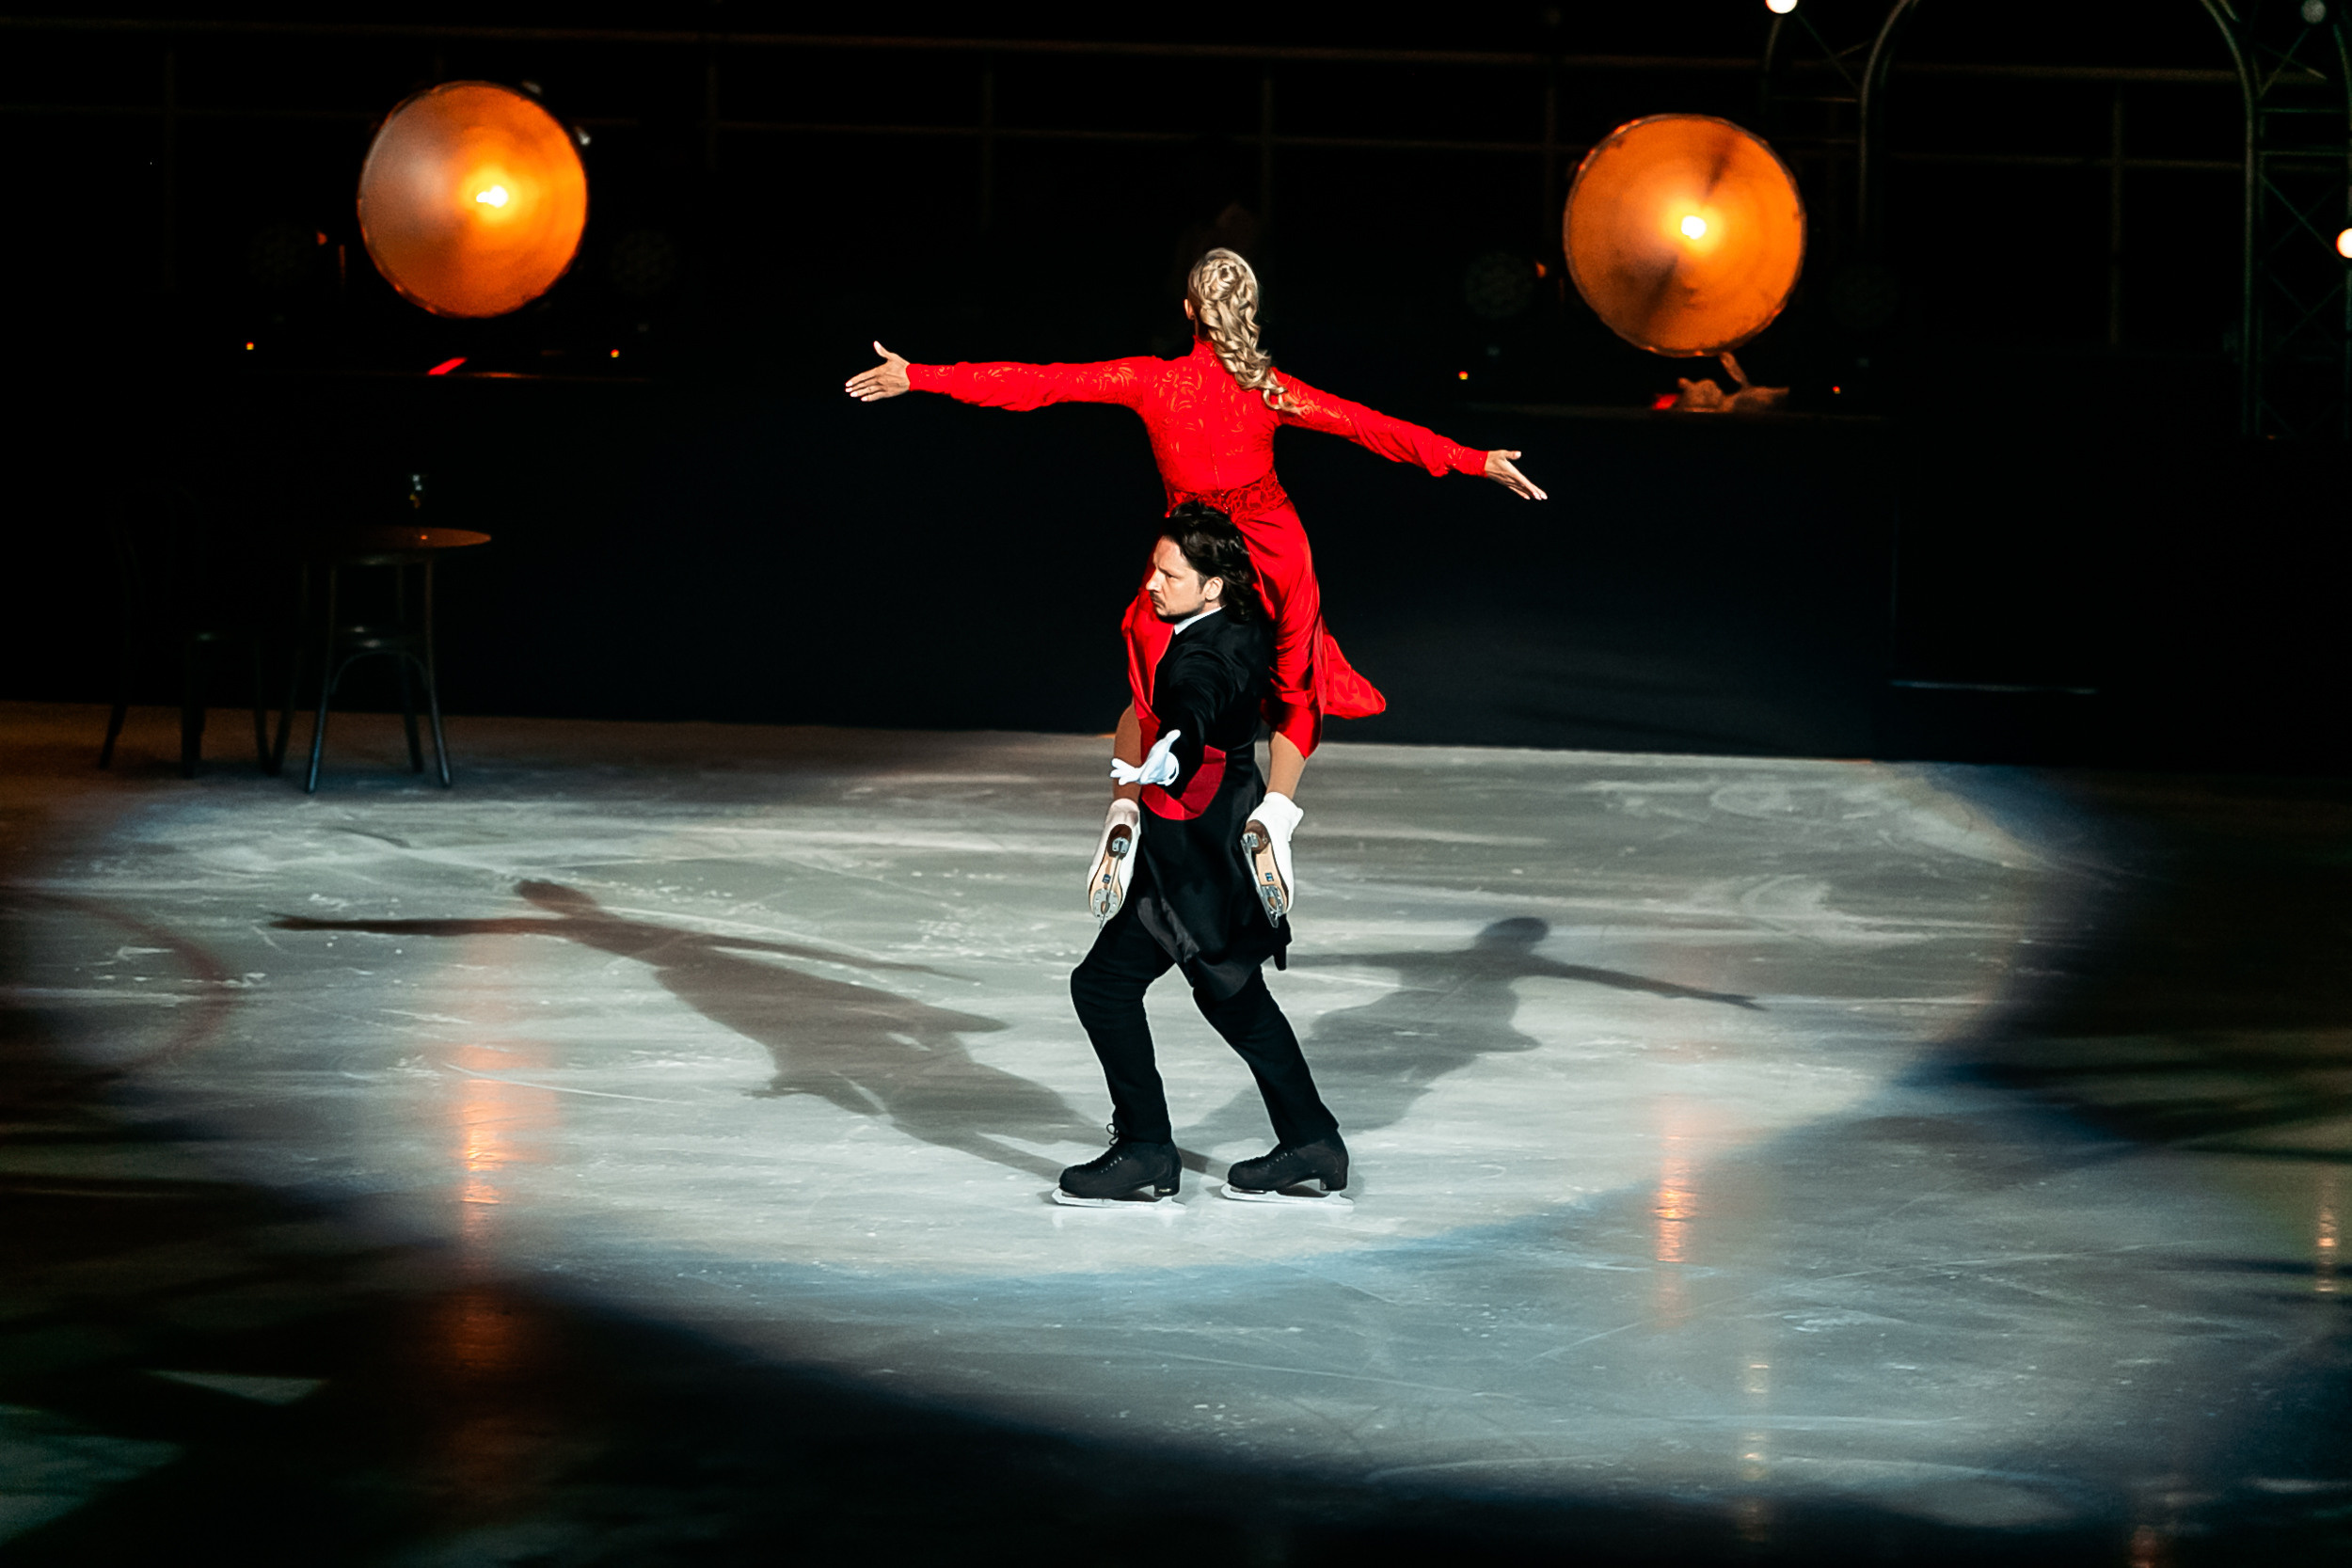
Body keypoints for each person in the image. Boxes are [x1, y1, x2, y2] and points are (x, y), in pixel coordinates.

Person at [846, 247, 1546, 918]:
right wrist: (1472, 459)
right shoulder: (1269, 387)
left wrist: (923, 375)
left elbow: (1041, 382)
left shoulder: (1151, 379)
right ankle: (1273, 816)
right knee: (1296, 688)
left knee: (1149, 694)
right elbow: (1371, 427)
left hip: (1193, 549)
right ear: (1250, 311)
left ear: (1188, 309)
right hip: (1274, 546)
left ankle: (1124, 811)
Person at [1055, 504, 1347, 1207]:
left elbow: (1196, 699)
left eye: (1169, 573)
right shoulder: (1234, 625)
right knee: (1217, 994)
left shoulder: (1206, 649)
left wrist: (1175, 743)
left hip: (1198, 852)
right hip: (1197, 841)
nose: (1153, 583)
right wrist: (1140, 783)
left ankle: (1150, 1148)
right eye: (1154, 567)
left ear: (1212, 585)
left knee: (1125, 987)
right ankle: (1304, 1138)